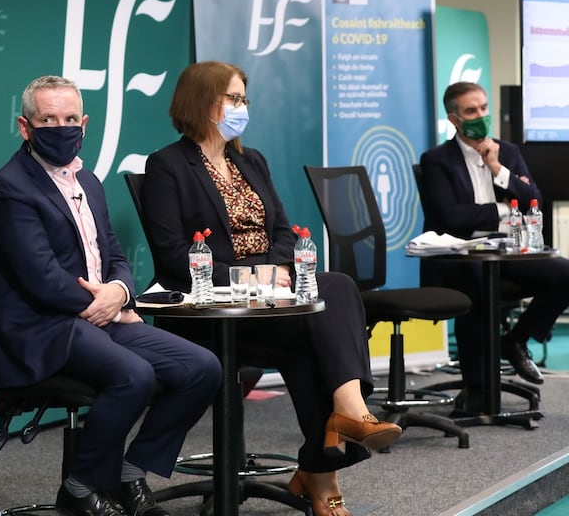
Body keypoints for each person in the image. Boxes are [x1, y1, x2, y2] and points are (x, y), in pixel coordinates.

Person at [140, 61, 402, 516]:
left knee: (334, 291)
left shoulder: (251, 160)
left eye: (244, 99)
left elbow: (282, 229)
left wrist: (277, 267)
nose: (242, 107)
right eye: (233, 98)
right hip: (213, 313)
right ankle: (326, 460)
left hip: (271, 300)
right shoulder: (167, 165)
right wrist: (247, 277)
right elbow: (172, 256)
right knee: (316, 329)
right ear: (201, 100)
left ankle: (344, 419)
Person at [0, 75, 222, 516]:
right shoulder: (10, 186)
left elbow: (115, 254)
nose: (61, 127)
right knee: (135, 375)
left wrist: (121, 292)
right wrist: (106, 306)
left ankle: (131, 472)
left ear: (85, 123)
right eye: (48, 120)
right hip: (40, 326)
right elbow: (41, 278)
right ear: (25, 126)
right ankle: (80, 486)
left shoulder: (87, 181)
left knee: (201, 368)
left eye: (70, 118)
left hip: (98, 316)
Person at [419, 81, 569, 409]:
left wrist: (498, 169)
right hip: (457, 256)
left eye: (484, 108)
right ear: (454, 119)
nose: (481, 116)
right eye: (471, 111)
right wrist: (504, 208)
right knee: (476, 283)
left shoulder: (508, 152)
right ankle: (477, 386)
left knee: (565, 273)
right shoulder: (436, 161)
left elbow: (533, 202)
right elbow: (450, 218)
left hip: (505, 251)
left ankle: (515, 340)